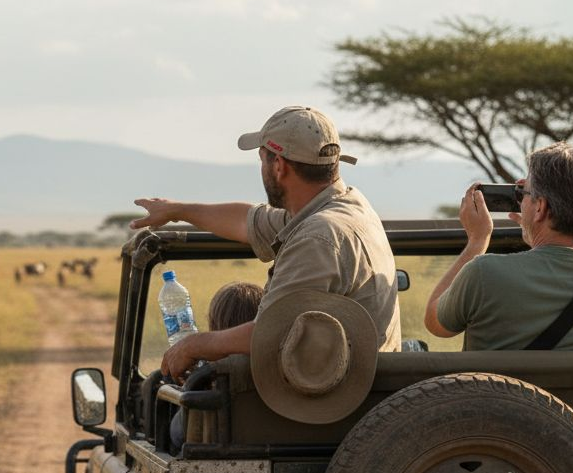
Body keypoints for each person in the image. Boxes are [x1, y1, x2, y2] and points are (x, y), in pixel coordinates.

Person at [131, 106, 400, 383]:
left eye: (262, 159)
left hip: (332, 402)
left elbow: (273, 331)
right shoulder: (343, 207)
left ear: (279, 166)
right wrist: (177, 211)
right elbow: (247, 220)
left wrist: (195, 345)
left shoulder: (318, 236)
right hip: (358, 390)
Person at [425, 143, 573, 350]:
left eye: (524, 194)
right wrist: (537, 235)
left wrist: (477, 241)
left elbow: (435, 323)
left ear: (540, 208)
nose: (521, 201)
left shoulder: (484, 272)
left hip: (496, 391)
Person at [170, 281, 266, 450]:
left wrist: (188, 386)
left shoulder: (209, 377)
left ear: (215, 329)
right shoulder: (278, 373)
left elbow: (179, 434)